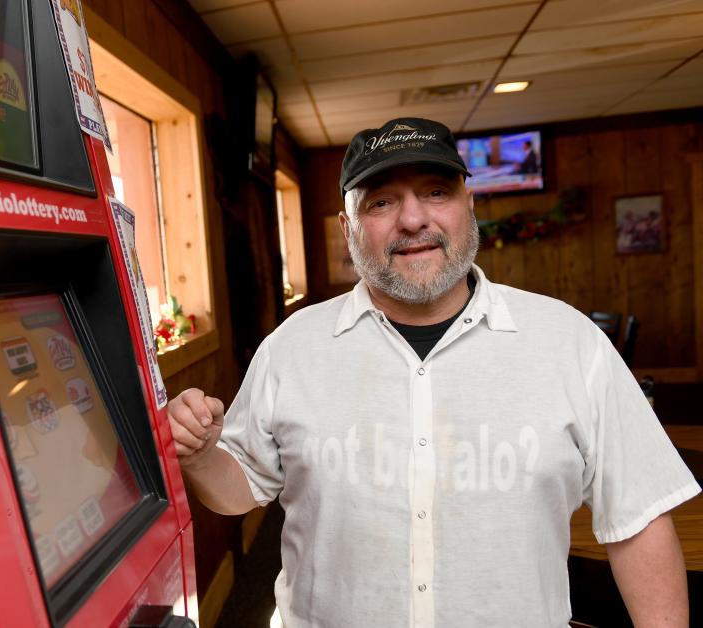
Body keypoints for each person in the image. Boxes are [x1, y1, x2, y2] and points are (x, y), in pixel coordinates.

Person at [168, 117, 699, 627]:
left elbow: (638, 518)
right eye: (381, 201)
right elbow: (239, 490)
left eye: (436, 192)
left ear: (469, 205)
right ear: (348, 227)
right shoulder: (291, 349)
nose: (414, 219)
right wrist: (198, 455)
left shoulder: (571, 343)